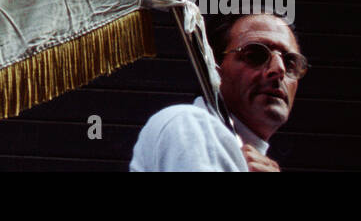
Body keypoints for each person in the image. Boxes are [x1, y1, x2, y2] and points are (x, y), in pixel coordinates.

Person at [130, 13, 306, 172]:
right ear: (215, 68)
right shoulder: (188, 122)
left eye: (290, 62)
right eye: (255, 55)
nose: (279, 69)